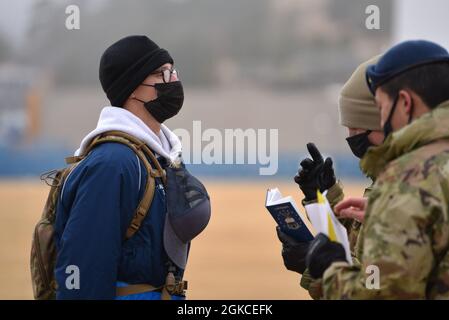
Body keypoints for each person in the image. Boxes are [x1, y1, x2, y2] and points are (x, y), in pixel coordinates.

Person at [53, 35, 210, 300]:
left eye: (173, 70)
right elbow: (84, 271)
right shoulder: (112, 164)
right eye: (161, 73)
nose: (173, 80)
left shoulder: (155, 156)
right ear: (132, 88)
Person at [305, 40, 449, 299]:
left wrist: (330, 271)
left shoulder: (410, 182)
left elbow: (381, 293)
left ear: (404, 103)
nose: (382, 119)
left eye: (381, 109)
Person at [276, 55, 383, 299]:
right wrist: (324, 196)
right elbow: (361, 246)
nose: (351, 136)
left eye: (358, 128)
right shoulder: (393, 180)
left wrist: (319, 269)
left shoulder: (419, 186)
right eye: (348, 127)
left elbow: (378, 290)